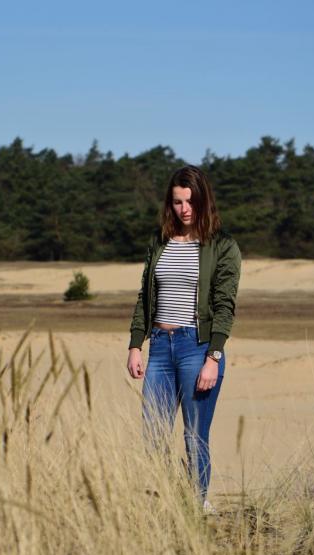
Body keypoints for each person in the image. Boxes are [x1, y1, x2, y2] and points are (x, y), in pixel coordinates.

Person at [127, 165, 241, 511]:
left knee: (194, 437)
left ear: (203, 201)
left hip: (198, 349)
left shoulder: (222, 246)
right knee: (153, 435)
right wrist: (136, 344)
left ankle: (196, 505)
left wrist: (213, 357)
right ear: (169, 204)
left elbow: (225, 305)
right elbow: (145, 297)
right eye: (177, 202)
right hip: (160, 349)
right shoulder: (159, 242)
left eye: (190, 201)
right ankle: (168, 502)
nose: (184, 209)